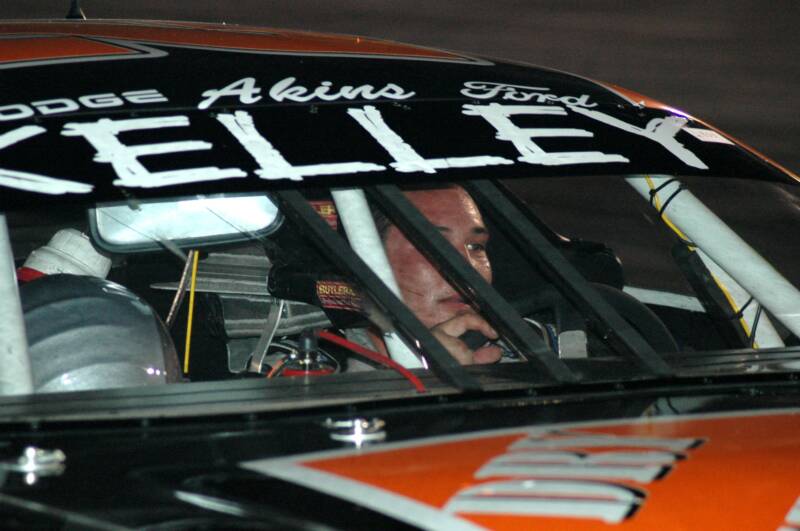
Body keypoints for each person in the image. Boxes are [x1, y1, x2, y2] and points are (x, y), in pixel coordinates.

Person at [376, 185, 503, 365]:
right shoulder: (337, 373)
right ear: (369, 256)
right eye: (435, 245)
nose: (468, 269)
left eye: (476, 247)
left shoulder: (533, 353)